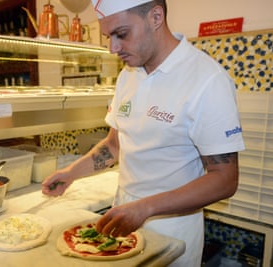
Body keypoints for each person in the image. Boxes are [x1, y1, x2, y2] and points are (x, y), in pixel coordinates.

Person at [42, 0, 245, 266]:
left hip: (172, 229)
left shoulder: (207, 80)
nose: (113, 48)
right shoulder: (128, 75)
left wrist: (145, 207)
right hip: (123, 215)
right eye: (108, 37)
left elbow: (224, 180)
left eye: (121, 34)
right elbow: (115, 144)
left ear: (156, 17)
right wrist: (71, 174)